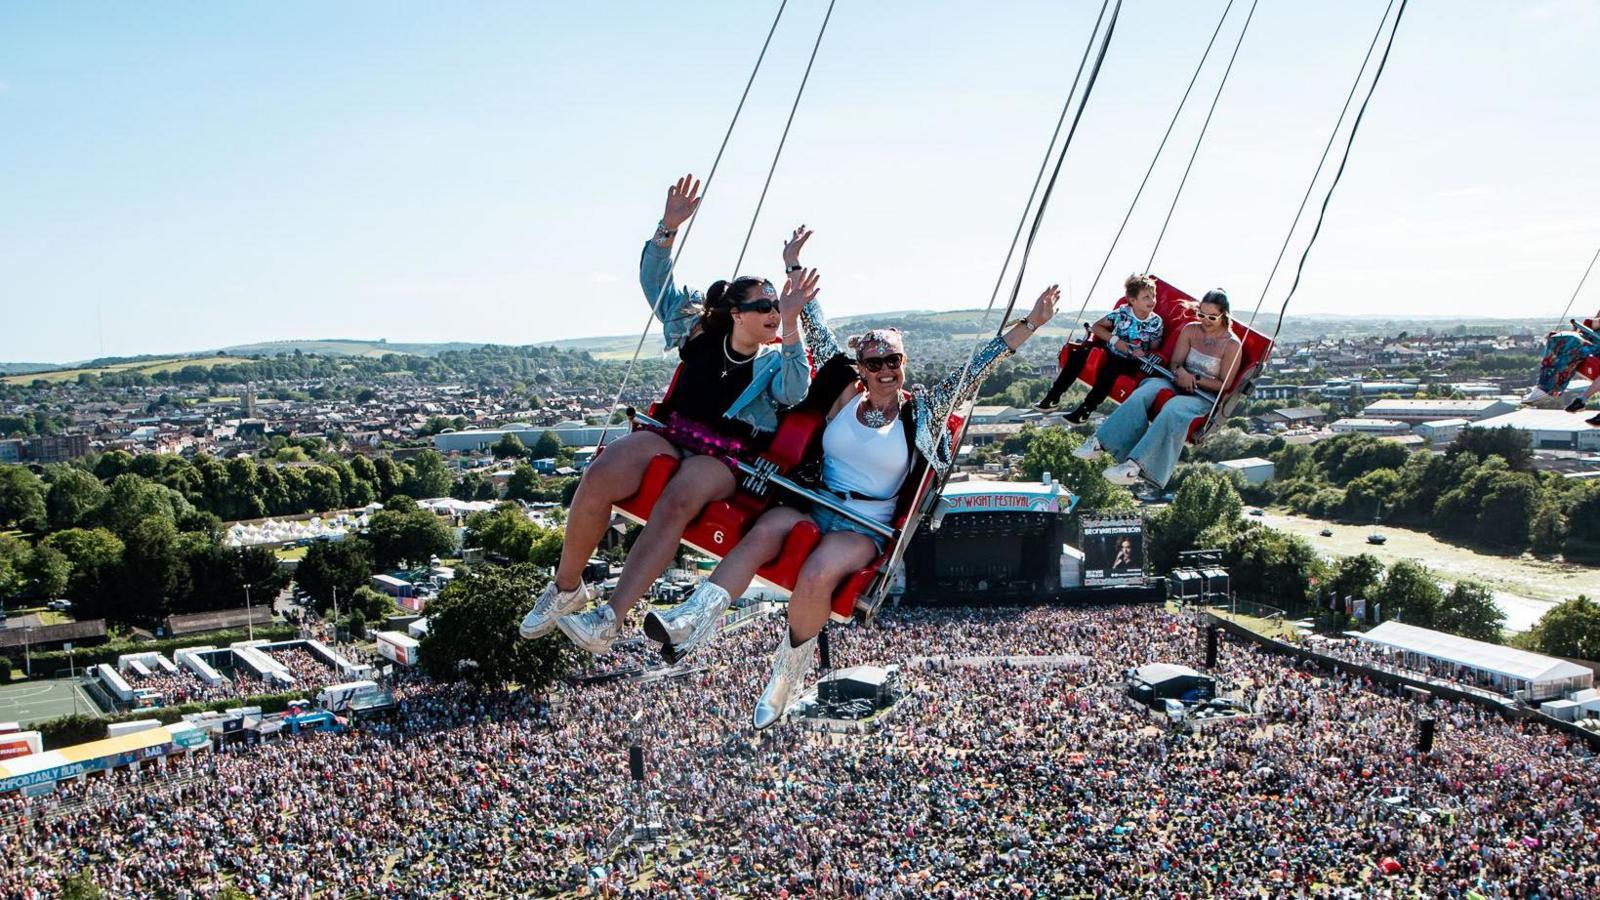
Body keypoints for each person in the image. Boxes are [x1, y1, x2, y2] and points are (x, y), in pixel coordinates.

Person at [637, 230, 1060, 727]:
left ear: (903, 366)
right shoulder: (843, 400)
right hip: (818, 500)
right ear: (860, 367)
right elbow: (812, 322)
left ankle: (787, 674)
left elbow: (983, 362)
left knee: (817, 571)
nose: (884, 371)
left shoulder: (920, 411)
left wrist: (1032, 321)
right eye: (874, 362)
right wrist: (793, 265)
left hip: (865, 521)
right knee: (762, 535)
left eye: (893, 362)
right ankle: (694, 617)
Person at [519, 174, 817, 645]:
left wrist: (794, 323)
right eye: (764, 304)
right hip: (673, 432)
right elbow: (657, 283)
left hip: (724, 457)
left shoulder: (773, 363)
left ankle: (611, 617)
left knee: (678, 498)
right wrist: (668, 227)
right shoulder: (697, 332)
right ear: (736, 313)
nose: (774, 312)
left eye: (777, 306)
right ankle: (566, 587)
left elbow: (798, 390)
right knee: (600, 474)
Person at [1075, 288, 1241, 489]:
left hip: (1203, 394)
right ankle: (1101, 443)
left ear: (1224, 316)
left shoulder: (1232, 344)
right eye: (1201, 314)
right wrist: (1181, 373)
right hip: (1177, 380)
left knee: (1173, 407)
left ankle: (1134, 466)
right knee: (1146, 390)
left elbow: (1224, 383)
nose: (1205, 320)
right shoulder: (1191, 330)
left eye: (1212, 317)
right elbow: (1175, 363)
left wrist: (1195, 379)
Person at [1036, 274, 1165, 422]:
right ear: (1133, 300)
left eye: (1153, 296)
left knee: (1110, 371)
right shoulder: (1122, 313)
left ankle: (1085, 410)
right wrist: (1115, 341)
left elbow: (1154, 348)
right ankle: (1053, 397)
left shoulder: (1156, 322)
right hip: (1111, 350)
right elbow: (1096, 327)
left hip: (1130, 360)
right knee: (1080, 355)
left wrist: (1143, 353)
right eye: (1146, 297)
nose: (1152, 301)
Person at [1523, 315, 1600, 423]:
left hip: (1595, 350)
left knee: (1572, 343)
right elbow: (1591, 324)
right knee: (1561, 340)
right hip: (1592, 342)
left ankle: (1550, 388)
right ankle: (1545, 385)